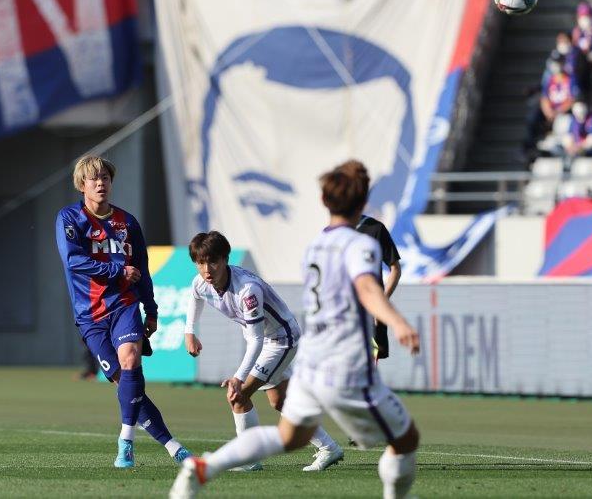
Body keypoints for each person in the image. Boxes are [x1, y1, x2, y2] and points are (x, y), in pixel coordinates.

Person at [170, 160, 421, 499]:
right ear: (363, 203)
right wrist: (398, 321)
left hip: (311, 352)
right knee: (406, 438)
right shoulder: (360, 244)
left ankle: (206, 467)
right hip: (345, 361)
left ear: (324, 202)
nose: (206, 269)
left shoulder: (316, 246)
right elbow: (367, 287)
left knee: (290, 434)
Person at [55, 155, 191, 468]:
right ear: (82, 185)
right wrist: (117, 270)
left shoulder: (127, 223)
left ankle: (125, 441)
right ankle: (173, 447)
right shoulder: (69, 218)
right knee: (126, 386)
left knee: (130, 360)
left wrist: (151, 309)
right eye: (94, 179)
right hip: (89, 316)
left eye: (105, 178)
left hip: (124, 304)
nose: (100, 183)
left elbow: (141, 268)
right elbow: (73, 260)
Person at [184, 231, 343, 472]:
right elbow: (195, 296)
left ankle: (248, 459)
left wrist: (239, 378)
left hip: (281, 339)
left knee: (238, 396)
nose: (207, 269)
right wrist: (189, 331)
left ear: (225, 259)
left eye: (213, 261)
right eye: (200, 263)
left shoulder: (247, 290)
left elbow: (257, 340)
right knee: (281, 401)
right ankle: (329, 448)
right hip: (264, 340)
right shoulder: (201, 282)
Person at [355, 212, 401, 361]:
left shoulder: (375, 228)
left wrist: (381, 304)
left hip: (370, 315)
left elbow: (395, 269)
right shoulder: (333, 232)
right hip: (344, 318)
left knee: (367, 372)